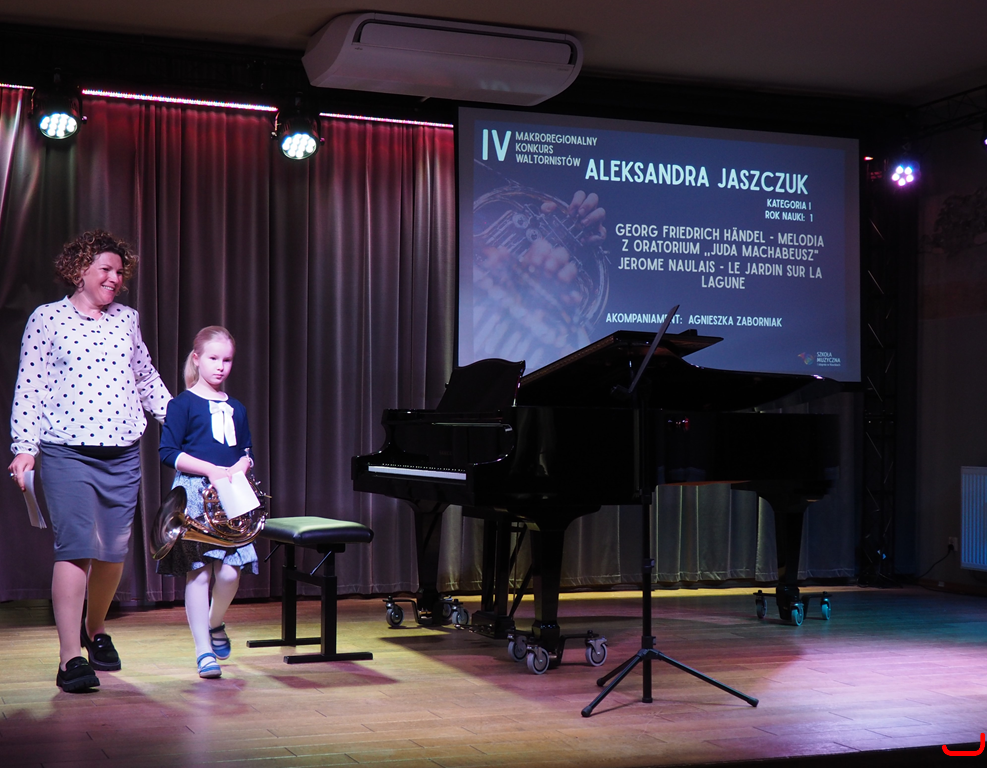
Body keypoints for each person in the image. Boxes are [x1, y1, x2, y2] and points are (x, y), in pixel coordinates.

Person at [8, 229, 172, 693]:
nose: (115, 278)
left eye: (120, 271)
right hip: (67, 451)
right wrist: (25, 446)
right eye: (106, 269)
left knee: (112, 552)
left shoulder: (127, 320)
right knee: (76, 546)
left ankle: (95, 628)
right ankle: (69, 659)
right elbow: (31, 384)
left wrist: (182, 423)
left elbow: (145, 378)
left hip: (122, 452)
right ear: (80, 270)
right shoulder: (47, 319)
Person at [156, 326, 258, 679]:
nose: (220, 366)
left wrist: (242, 465)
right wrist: (210, 470)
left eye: (227, 360)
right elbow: (168, 452)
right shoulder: (182, 404)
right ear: (197, 359)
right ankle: (203, 651)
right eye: (213, 358)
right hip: (195, 494)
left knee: (230, 573)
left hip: (230, 495)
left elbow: (245, 450)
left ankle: (215, 623)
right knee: (198, 574)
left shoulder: (237, 407)